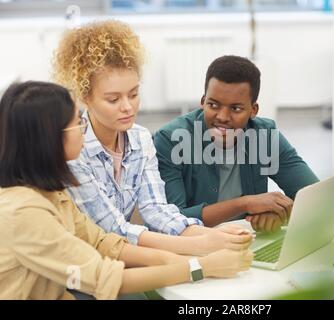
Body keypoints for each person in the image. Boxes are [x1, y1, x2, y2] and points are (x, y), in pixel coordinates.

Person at [0, 81, 253, 300]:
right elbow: (102, 277)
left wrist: (190, 253)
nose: (83, 127)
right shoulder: (23, 211)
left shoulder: (51, 192)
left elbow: (102, 241)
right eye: (78, 123)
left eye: (133, 94)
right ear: (49, 138)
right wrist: (201, 266)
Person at [52, 20, 252, 254]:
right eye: (113, 99)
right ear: (85, 97)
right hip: (84, 267)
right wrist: (201, 244)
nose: (128, 107)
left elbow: (156, 209)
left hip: (122, 255)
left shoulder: (140, 138)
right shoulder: (74, 151)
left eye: (134, 94)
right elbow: (113, 229)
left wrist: (214, 235)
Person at [154, 55, 319, 233]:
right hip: (196, 245)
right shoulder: (171, 140)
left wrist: (279, 214)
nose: (223, 117)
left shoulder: (264, 135)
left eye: (236, 109)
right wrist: (245, 204)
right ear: (203, 102)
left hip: (248, 241)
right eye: (213, 105)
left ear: (253, 110)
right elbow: (172, 220)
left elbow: (315, 196)